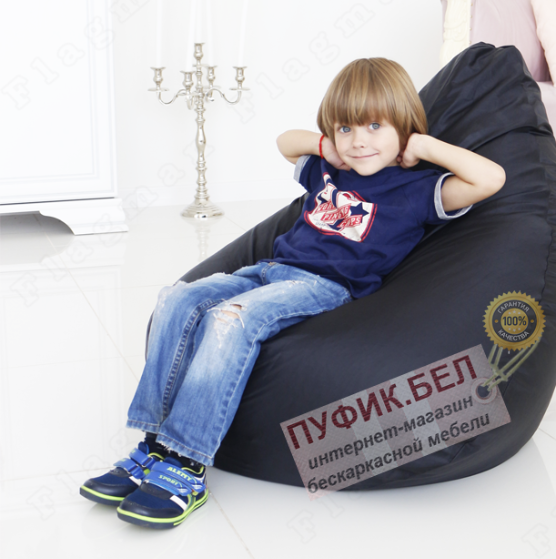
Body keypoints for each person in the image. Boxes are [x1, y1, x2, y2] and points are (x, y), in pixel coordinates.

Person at [80, 58, 505, 529]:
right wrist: (327, 146)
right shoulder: (329, 170)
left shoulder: (416, 188)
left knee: (230, 319)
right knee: (175, 298)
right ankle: (152, 446)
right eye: (346, 128)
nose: (358, 141)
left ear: (403, 128)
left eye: (375, 126)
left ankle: (186, 462)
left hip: (325, 286)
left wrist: (422, 146)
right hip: (269, 269)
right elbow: (285, 142)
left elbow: (490, 179)